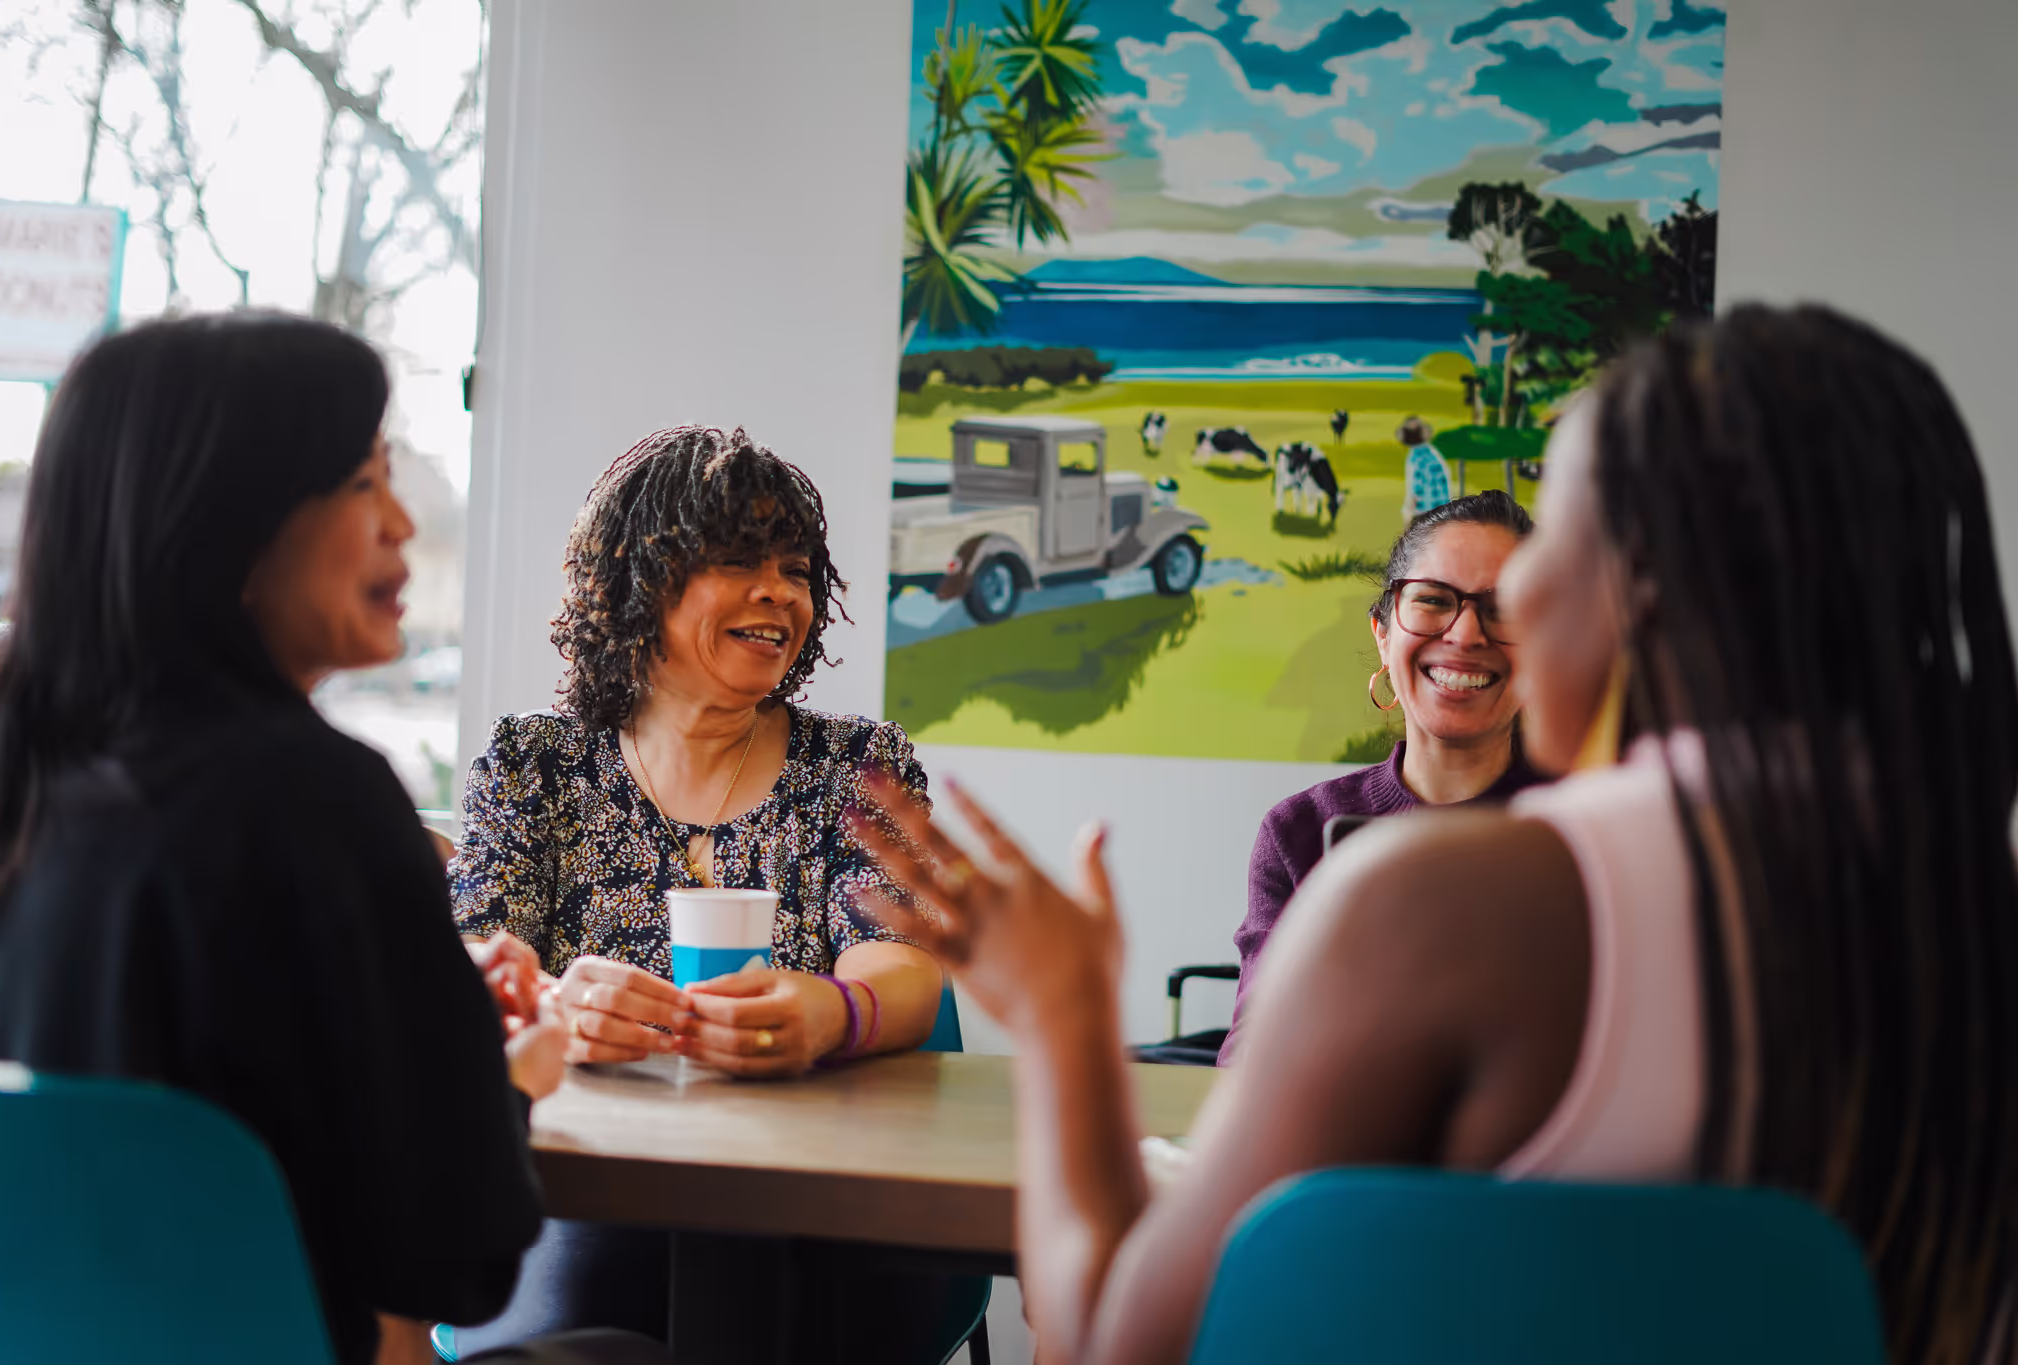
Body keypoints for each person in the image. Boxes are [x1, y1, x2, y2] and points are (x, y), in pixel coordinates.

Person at [855, 305, 2018, 1365]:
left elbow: (1132, 1345)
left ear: (1642, 585)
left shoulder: (1449, 905)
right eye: (1440, 598)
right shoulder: (1956, 902)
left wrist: (1063, 1018)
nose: (1494, 620)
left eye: (1540, 547)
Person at [0, 314, 660, 1365]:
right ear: (225, 523)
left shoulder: (2, 768)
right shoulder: (319, 805)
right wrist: (503, 1074)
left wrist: (424, 1014)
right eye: (360, 484)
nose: (401, 525)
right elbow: (456, 1261)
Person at [449, 425, 966, 1358]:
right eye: (737, 560)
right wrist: (555, 1011)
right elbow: (481, 967)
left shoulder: (859, 766)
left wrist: (832, 1013)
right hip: (588, 1204)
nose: (780, 592)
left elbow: (907, 973)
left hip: (823, 1204)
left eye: (797, 568)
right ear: (638, 582)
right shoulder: (534, 764)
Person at [1218, 491, 1542, 1063]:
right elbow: (1252, 1060)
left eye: (1505, 606)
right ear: (1383, 634)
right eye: (1434, 600)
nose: (1466, 634)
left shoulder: (1588, 824)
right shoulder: (1299, 831)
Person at [1397, 415, 1454, 524]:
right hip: (1441, 509)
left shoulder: (1415, 456)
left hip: (1426, 512)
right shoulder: (1431, 452)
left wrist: (1408, 514)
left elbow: (1416, 488)